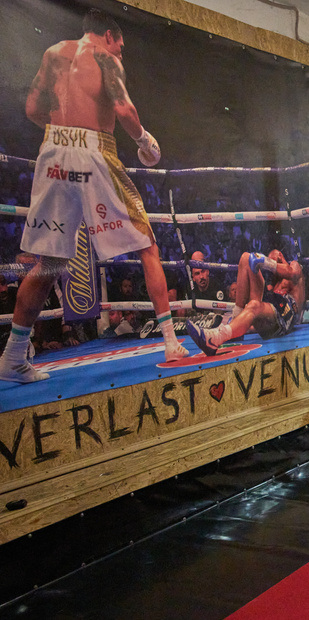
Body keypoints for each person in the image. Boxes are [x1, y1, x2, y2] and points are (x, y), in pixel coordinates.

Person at [0, 9, 185, 383]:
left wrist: (64, 131)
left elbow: (33, 108)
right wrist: (145, 142)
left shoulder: (54, 52)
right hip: (94, 152)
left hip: (52, 152)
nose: (122, 52)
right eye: (122, 45)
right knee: (147, 242)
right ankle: (170, 342)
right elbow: (123, 108)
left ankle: (12, 357)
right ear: (109, 35)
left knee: (50, 261)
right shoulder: (105, 57)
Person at [185, 248, 305, 353]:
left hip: (286, 314)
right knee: (245, 257)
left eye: (273, 262)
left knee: (253, 305)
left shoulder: (294, 266)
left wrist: (266, 262)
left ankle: (216, 338)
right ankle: (236, 320)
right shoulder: (275, 282)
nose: (272, 270)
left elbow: (293, 273)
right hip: (272, 312)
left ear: (281, 257)